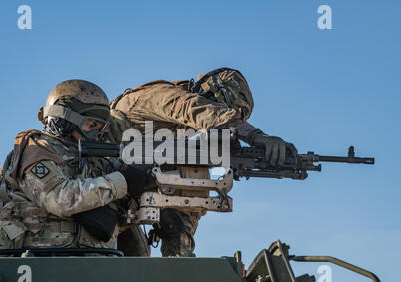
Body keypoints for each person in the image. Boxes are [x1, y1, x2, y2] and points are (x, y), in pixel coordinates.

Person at [109, 67, 298, 257]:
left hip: (122, 207)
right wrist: (257, 137)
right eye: (225, 113)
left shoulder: (188, 147)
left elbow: (189, 210)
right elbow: (200, 112)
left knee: (138, 262)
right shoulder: (164, 96)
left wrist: (178, 257)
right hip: (93, 187)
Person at [0, 79, 150, 254]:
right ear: (64, 119)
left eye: (100, 130)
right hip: (38, 263)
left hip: (93, 266)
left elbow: (124, 208)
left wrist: (149, 176)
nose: (95, 136)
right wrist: (122, 182)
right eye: (91, 126)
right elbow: (60, 198)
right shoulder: (37, 148)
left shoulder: (96, 161)